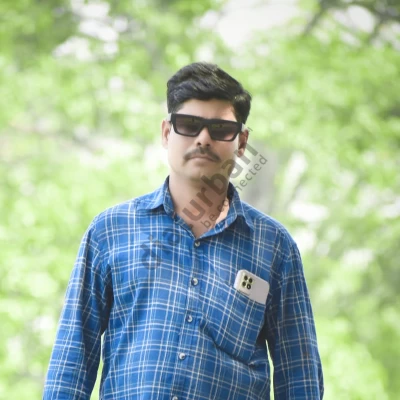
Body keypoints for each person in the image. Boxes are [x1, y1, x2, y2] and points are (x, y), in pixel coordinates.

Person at [43, 62, 324, 399]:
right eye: (189, 125)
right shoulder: (111, 232)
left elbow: (300, 375)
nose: (203, 139)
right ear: (166, 133)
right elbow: (72, 360)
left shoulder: (274, 246)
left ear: (241, 142)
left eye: (220, 129)